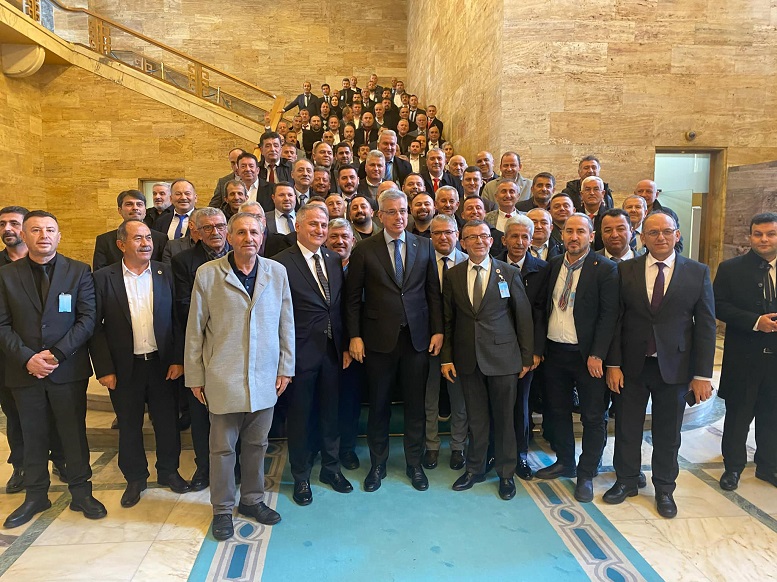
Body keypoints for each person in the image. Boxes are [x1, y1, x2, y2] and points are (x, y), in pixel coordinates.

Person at [185, 212, 294, 541]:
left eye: (254, 232)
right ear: (229, 237)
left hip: (265, 376)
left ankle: (252, 500)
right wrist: (195, 375)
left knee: (257, 444)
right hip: (223, 376)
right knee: (222, 449)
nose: (249, 238)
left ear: (262, 237)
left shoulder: (276, 272)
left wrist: (286, 367)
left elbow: (286, 322)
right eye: (241, 232)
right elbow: (195, 329)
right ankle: (221, 509)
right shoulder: (208, 274)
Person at [605, 211, 715, 518]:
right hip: (632, 365)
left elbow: (706, 326)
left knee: (668, 433)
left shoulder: (697, 272)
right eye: (653, 232)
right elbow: (615, 320)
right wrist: (613, 364)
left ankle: (665, 488)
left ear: (677, 235)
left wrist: (702, 374)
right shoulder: (625, 270)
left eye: (667, 231)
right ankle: (626, 480)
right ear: (642, 238)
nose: (661, 237)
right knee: (627, 427)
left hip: (675, 367)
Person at [0, 211, 106, 528]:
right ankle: (36, 496)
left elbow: (87, 318)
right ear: (24, 235)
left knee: (73, 434)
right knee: (31, 435)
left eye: (50, 230)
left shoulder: (79, 271)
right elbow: (2, 324)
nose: (43, 235)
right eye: (35, 230)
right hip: (24, 371)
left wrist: (57, 354)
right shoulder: (6, 275)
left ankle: (81, 492)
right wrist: (27, 358)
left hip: (67, 370)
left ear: (59, 236)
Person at [345, 189, 443, 492]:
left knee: (415, 406)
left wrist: (438, 330)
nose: (399, 217)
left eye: (403, 211)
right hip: (377, 342)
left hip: (416, 340)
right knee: (379, 405)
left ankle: (414, 464)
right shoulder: (364, 249)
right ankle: (378, 464)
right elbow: (352, 299)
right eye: (392, 211)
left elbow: (432, 292)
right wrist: (354, 336)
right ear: (380, 215)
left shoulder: (424, 246)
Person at [91, 219, 190, 508]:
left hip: (162, 364)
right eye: (138, 238)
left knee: (167, 423)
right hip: (124, 367)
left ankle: (169, 471)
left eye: (148, 237)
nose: (146, 243)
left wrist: (178, 359)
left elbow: (177, 320)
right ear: (121, 244)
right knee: (129, 425)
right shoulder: (103, 278)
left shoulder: (165, 272)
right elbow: (95, 328)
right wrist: (105, 369)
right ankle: (135, 478)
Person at [442, 219, 534, 500]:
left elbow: (523, 316)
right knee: (476, 419)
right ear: (463, 243)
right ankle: (475, 469)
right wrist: (447, 358)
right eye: (472, 237)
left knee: (505, 419)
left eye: (483, 236)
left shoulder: (508, 272)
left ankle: (506, 474)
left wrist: (526, 357)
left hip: (504, 359)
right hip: (468, 359)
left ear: (492, 241)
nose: (479, 241)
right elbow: (448, 320)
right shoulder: (453, 275)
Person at [535, 214, 619, 507]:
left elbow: (609, 316)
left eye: (580, 231)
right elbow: (543, 307)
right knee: (557, 411)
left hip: (587, 357)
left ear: (591, 236)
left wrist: (598, 354)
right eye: (569, 231)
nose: (574, 236)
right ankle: (565, 462)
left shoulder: (605, 269)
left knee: (593, 416)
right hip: (555, 352)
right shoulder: (554, 264)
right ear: (562, 235)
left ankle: (586, 473)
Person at [273, 205, 353, 505]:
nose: (320, 230)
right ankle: (301, 476)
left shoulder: (333, 258)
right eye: (313, 224)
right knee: (300, 417)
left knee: (331, 413)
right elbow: (277, 312)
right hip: (298, 353)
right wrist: (283, 358)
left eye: (323, 225)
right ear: (298, 226)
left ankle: (331, 469)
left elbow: (338, 306)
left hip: (332, 351)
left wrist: (344, 345)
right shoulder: (280, 263)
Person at [0, 206, 66, 495]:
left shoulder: (58, 266)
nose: (8, 229)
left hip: (53, 359)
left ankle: (61, 460)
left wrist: (51, 355)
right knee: (17, 417)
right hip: (10, 359)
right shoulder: (3, 271)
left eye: (14, 223)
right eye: (2, 224)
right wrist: (26, 357)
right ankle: (22, 466)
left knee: (57, 415)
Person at [714, 212, 777, 491]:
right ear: (749, 236)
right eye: (758, 234)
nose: (764, 239)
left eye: (771, 234)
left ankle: (768, 466)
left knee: (772, 415)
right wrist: (755, 321)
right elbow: (718, 305)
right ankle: (733, 467)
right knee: (738, 416)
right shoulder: (731, 269)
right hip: (743, 357)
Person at [171, 208, 231, 491]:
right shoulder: (183, 261)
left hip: (235, 348)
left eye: (219, 226)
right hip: (202, 345)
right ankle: (204, 468)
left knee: (233, 413)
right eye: (207, 228)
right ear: (195, 232)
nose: (215, 232)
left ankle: (233, 466)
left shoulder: (241, 254)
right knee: (201, 412)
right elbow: (184, 305)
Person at [500, 215, 551, 480]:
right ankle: (495, 451)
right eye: (514, 236)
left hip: (525, 352)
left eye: (524, 237)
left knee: (521, 405)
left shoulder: (542, 270)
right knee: (496, 404)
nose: (519, 242)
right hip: (495, 350)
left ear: (531, 240)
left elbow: (542, 314)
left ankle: (520, 454)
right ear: (504, 239)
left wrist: (534, 352)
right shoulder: (493, 265)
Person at [423, 215, 469, 472]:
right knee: (429, 397)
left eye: (448, 232)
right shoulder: (422, 261)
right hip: (428, 340)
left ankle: (458, 447)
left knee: (458, 398)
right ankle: (431, 446)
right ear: (430, 236)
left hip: (459, 342)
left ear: (457, 234)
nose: (443, 237)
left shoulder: (469, 261)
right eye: (437, 233)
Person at [93, 190, 168, 271]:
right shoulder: (104, 240)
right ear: (119, 210)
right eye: (129, 204)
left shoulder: (161, 239)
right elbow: (100, 274)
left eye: (139, 204)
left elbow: (164, 271)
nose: (135, 208)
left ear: (145, 210)